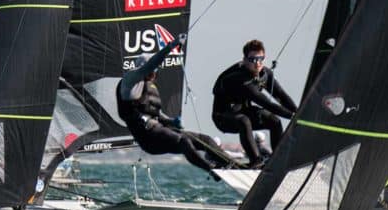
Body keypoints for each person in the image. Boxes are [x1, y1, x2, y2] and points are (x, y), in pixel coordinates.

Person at [116, 35, 231, 180]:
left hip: (160, 132)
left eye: (157, 70)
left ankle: (230, 164)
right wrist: (171, 46)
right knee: (184, 142)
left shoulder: (150, 87)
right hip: (148, 139)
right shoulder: (130, 81)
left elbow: (158, 115)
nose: (155, 73)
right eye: (153, 69)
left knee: (205, 140)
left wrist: (172, 121)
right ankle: (211, 170)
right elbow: (150, 65)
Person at [212, 39, 297, 168]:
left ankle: (277, 161)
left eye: (260, 59)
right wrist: (294, 117)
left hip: (244, 111)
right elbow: (267, 104)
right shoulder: (240, 79)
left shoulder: (265, 73)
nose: (257, 63)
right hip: (223, 117)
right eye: (253, 60)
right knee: (244, 121)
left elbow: (281, 97)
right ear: (245, 60)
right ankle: (256, 161)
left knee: (274, 121)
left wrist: (299, 111)